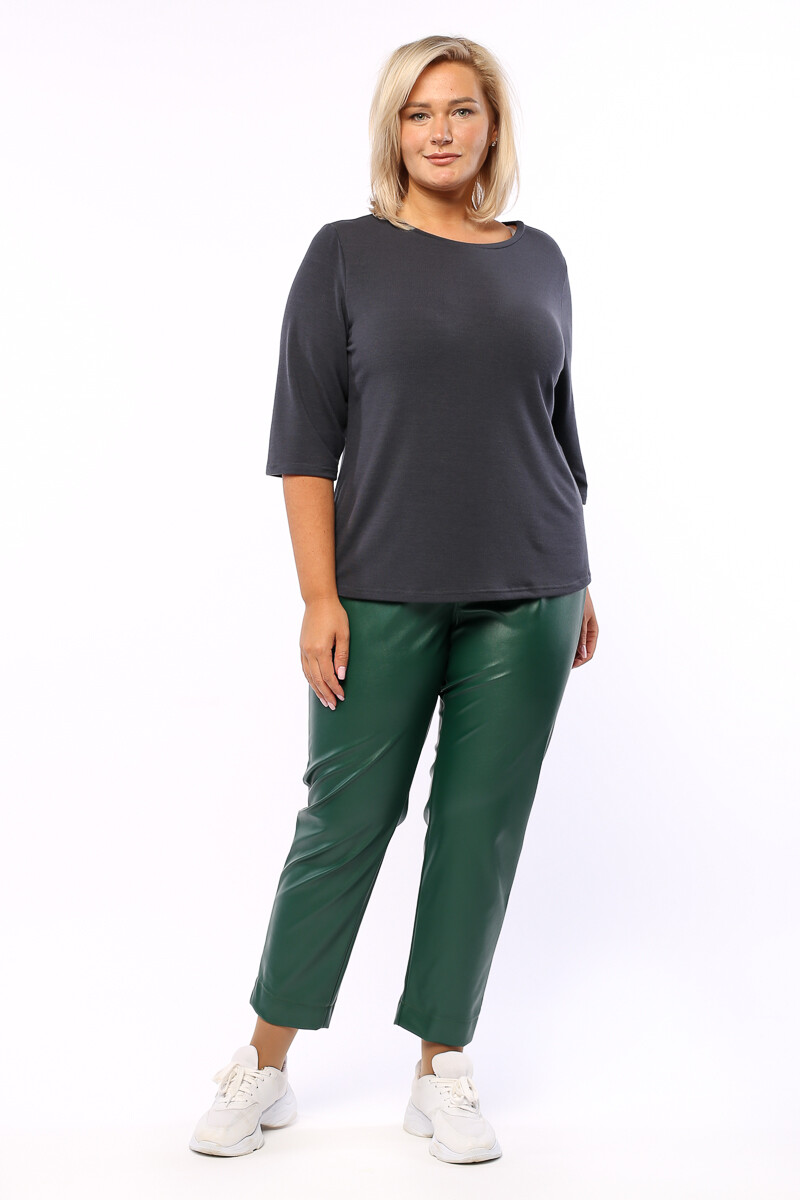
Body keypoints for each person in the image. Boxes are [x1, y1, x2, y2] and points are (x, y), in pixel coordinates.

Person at [190, 33, 599, 1166]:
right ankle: (264, 1062)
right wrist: (317, 598)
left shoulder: (540, 258)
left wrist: (580, 574)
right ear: (393, 131)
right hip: (378, 593)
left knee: (479, 828)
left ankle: (441, 1070)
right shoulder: (344, 255)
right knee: (344, 820)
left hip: (532, 586)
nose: (441, 130)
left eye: (461, 109)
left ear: (491, 127)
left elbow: (555, 429)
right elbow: (303, 443)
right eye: (419, 113)